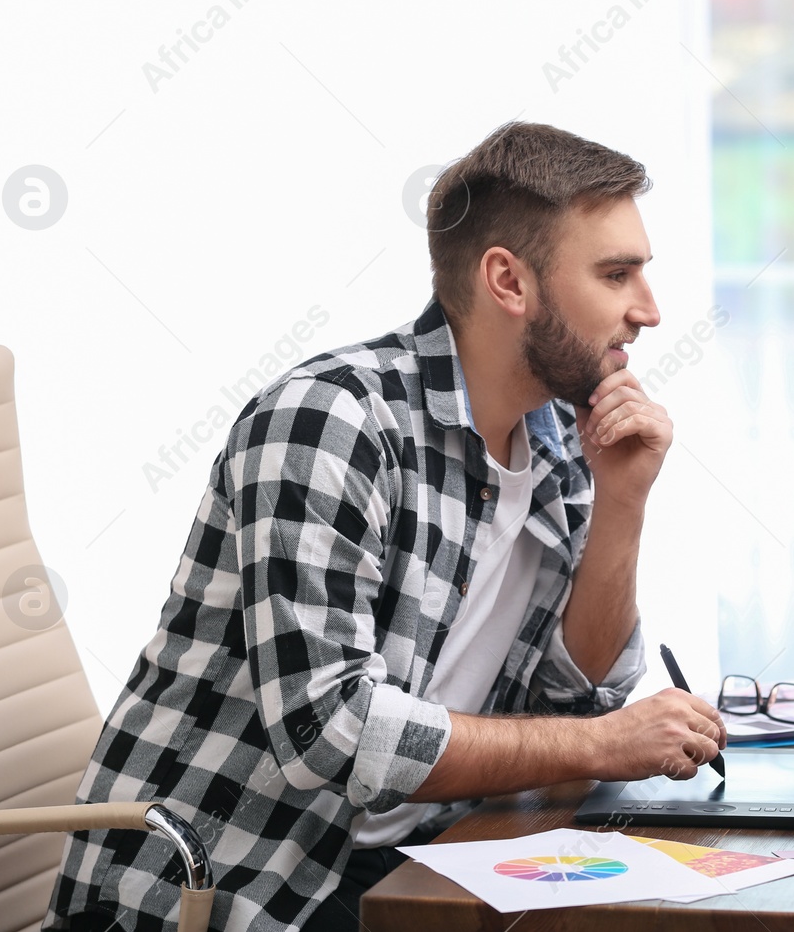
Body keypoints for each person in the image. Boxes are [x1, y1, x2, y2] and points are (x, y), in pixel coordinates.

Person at [44, 122, 728, 931]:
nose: (649, 310)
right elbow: (329, 731)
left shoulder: (557, 443)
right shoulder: (331, 420)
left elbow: (577, 699)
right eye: (617, 274)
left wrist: (624, 499)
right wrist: (605, 745)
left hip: (423, 855)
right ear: (509, 280)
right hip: (237, 885)